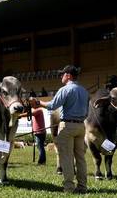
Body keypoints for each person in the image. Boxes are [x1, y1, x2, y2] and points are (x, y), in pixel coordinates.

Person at [31, 65, 89, 194]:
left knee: (66, 157)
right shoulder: (84, 91)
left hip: (67, 125)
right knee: (80, 158)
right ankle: (82, 187)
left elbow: (52, 105)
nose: (61, 76)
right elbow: (87, 112)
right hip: (81, 126)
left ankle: (69, 187)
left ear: (68, 75)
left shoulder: (65, 89)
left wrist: (38, 102)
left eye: (62, 74)